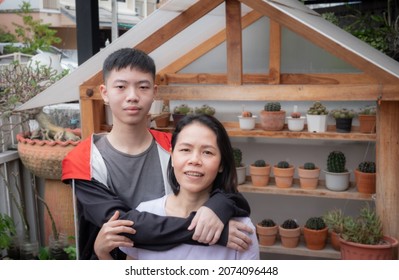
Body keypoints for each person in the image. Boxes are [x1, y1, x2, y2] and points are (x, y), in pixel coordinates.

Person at [62, 48, 253, 259]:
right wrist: (211, 233)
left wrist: (216, 207)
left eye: (142, 87)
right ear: (104, 93)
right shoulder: (83, 160)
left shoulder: (174, 148)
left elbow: (231, 193)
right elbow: (123, 224)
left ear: (154, 92)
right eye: (121, 87)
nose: (132, 96)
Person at [96, 114, 260, 260]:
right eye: (185, 149)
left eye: (207, 152)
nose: (195, 160)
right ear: (172, 156)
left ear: (221, 164)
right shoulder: (145, 213)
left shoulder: (240, 230)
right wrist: (103, 254)